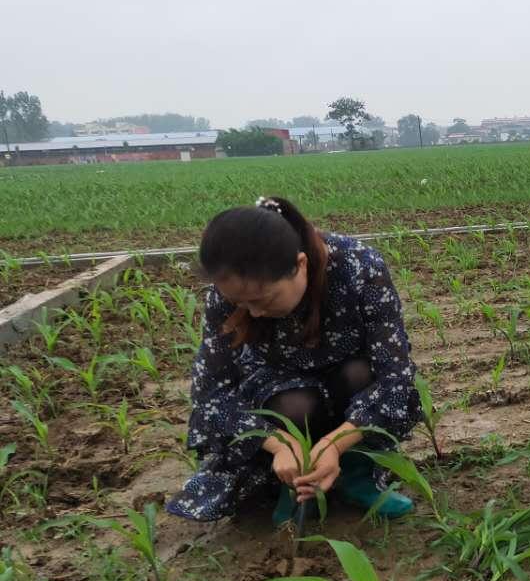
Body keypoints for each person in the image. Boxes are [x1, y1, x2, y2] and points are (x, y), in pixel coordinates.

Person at [167, 196, 423, 523]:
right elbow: (210, 394)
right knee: (294, 404)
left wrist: (334, 443)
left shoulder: (359, 267)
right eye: (240, 304)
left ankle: (358, 472)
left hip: (350, 383)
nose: (255, 312)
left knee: (361, 372)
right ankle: (294, 482)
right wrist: (279, 443)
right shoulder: (226, 294)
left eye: (263, 299)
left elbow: (396, 378)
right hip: (281, 391)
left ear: (300, 264)